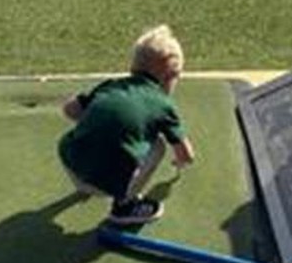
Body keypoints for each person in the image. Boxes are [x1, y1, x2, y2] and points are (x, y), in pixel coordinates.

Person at [57, 24, 195, 225]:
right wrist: (181, 162)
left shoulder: (111, 85)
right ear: (169, 77)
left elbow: (69, 110)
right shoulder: (163, 105)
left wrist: (101, 125)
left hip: (69, 161)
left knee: (94, 131)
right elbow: (186, 154)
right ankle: (124, 206)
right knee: (158, 146)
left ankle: (89, 175)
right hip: (102, 185)